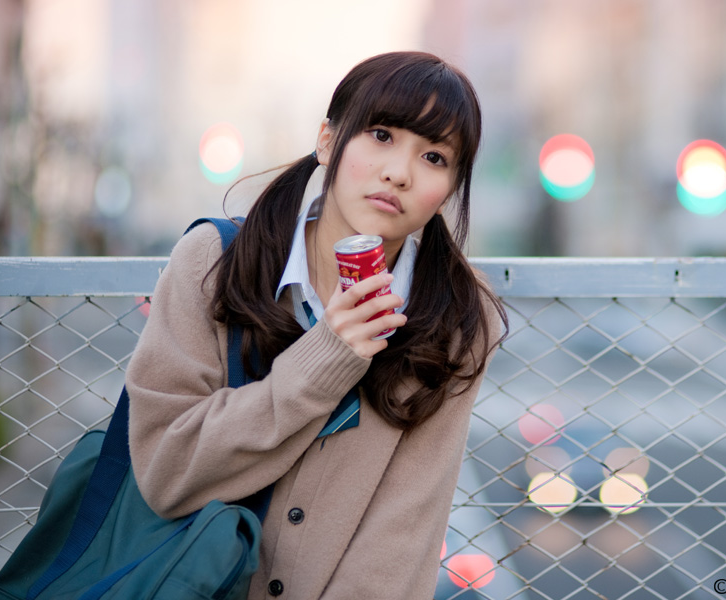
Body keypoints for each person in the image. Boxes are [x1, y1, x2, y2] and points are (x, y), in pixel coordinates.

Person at [125, 51, 507, 599]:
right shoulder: (214, 262)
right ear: (328, 141)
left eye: (433, 156)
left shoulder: (457, 317)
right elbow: (167, 472)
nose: (398, 172)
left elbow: (400, 542)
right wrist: (326, 356)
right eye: (380, 135)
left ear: (449, 187)